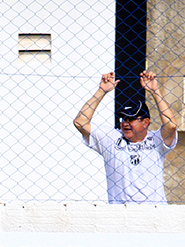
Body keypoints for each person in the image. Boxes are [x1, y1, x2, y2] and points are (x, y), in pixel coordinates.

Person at [73, 71, 177, 204]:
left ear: (145, 122)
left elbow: (171, 125)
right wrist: (101, 91)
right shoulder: (111, 139)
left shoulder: (157, 140)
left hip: (154, 213)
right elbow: (80, 122)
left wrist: (155, 91)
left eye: (131, 119)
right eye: (123, 119)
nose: (125, 123)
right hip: (120, 214)